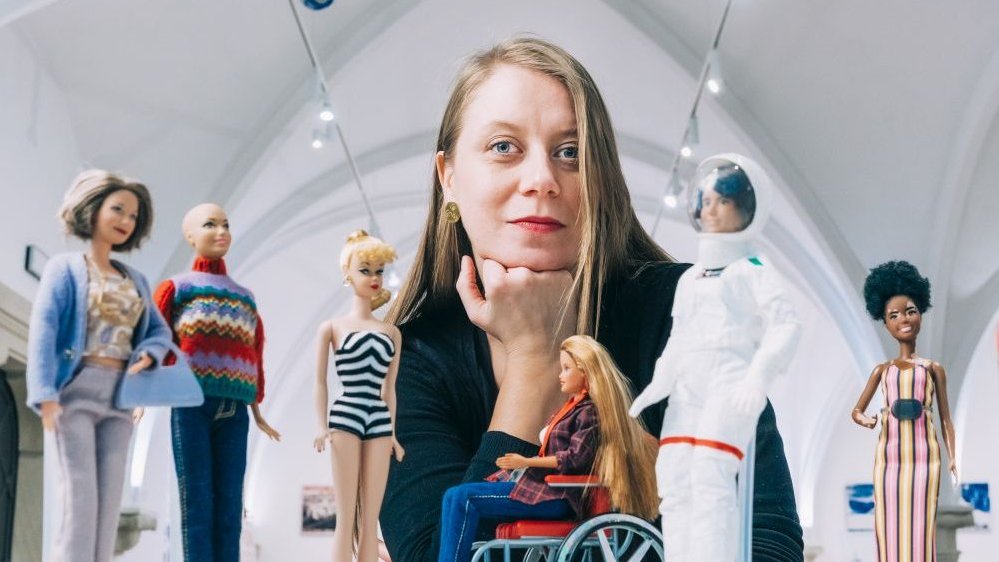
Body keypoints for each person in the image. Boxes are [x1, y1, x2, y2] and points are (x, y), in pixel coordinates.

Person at [381, 37, 804, 562]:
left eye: (570, 153)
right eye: (504, 147)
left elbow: (766, 544)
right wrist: (534, 362)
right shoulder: (403, 362)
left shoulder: (690, 309)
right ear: (448, 177)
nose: (541, 180)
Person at [629, 154, 802, 562]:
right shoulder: (690, 279)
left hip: (728, 380)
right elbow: (678, 338)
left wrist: (757, 376)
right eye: (706, 201)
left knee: (710, 474)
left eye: (722, 201)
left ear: (746, 208)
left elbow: (785, 326)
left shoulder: (752, 269)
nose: (711, 210)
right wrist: (658, 384)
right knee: (674, 475)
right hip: (686, 386)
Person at [25, 169, 171, 562]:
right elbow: (44, 330)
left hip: (121, 399)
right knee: (79, 502)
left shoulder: (135, 279)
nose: (126, 221)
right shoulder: (65, 268)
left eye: (133, 216)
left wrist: (149, 353)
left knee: (108, 507)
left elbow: (159, 331)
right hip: (76, 391)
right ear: (93, 209)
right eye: (118, 209)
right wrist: (45, 395)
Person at [437, 335, 657, 562]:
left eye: (567, 369)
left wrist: (527, 462)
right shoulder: (571, 409)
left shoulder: (589, 414)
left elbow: (574, 459)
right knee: (453, 497)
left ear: (585, 372)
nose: (560, 375)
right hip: (543, 490)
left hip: (555, 497)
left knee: (462, 497)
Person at [153, 203, 280, 562]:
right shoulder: (178, 288)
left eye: (225, 224)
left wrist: (257, 409)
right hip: (191, 404)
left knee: (230, 508)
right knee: (196, 503)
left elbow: (254, 351)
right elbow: (155, 339)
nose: (221, 231)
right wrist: (146, 394)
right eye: (210, 224)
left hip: (235, 410)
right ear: (190, 235)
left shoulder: (244, 297)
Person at [851, 261, 957, 562]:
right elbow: (856, 410)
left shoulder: (933, 369)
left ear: (920, 312)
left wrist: (953, 457)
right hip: (890, 454)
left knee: (922, 524)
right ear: (885, 323)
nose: (903, 319)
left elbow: (946, 418)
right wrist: (866, 419)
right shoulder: (882, 370)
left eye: (910, 311)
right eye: (893, 315)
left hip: (925, 452)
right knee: (888, 523)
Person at [314, 230, 405, 562]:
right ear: (348, 274)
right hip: (346, 414)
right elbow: (320, 382)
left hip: (379, 419)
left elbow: (389, 388)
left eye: (379, 270)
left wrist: (393, 433)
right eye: (365, 270)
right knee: (346, 516)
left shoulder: (391, 332)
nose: (374, 278)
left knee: (370, 518)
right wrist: (321, 426)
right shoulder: (332, 327)